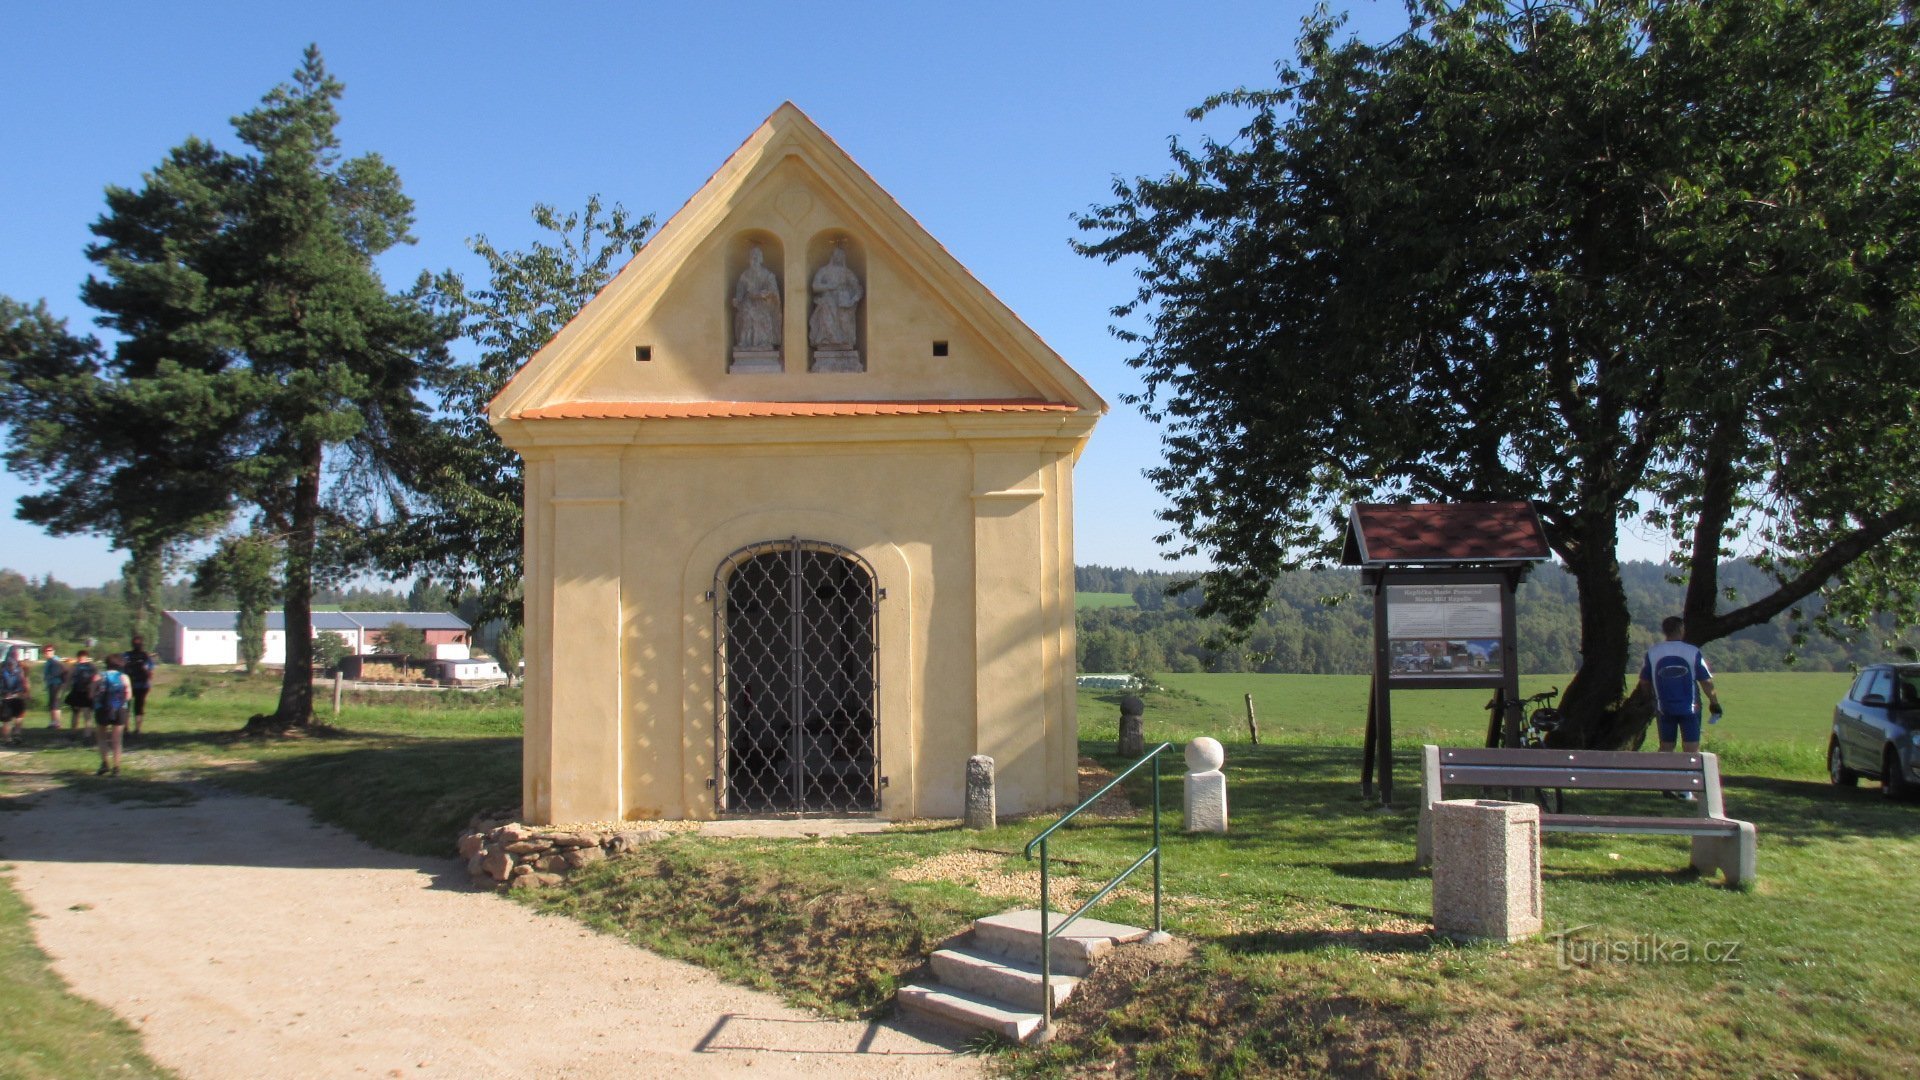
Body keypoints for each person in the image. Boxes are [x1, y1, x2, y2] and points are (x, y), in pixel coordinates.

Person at [1636, 616, 1723, 800]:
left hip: (1664, 706)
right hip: (1689, 706)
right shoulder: (1692, 651)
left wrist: (1649, 698)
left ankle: (1665, 785)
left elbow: (1644, 680)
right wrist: (1714, 701)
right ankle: (1686, 790)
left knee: (1666, 746)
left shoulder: (1653, 652)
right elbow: (1705, 681)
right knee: (1690, 748)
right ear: (1681, 629)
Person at [808, 244, 863, 350]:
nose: (839, 257)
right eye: (837, 255)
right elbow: (815, 286)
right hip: (828, 299)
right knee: (826, 312)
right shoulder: (824, 270)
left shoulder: (847, 272)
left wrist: (853, 298)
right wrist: (829, 286)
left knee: (845, 320)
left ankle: (845, 341)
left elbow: (856, 287)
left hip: (843, 301)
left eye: (841, 255)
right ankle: (828, 340)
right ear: (832, 256)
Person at [732, 243, 782, 351]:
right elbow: (740, 291)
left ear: (761, 259)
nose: (754, 259)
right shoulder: (745, 275)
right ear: (749, 259)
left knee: (763, 316)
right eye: (752, 257)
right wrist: (737, 299)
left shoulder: (768, 275)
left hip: (763, 303)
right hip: (748, 302)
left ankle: (764, 342)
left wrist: (765, 293)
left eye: (757, 257)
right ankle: (744, 342)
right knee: (746, 314)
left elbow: (773, 290)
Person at [93, 654, 131, 776]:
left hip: (102, 709)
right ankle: (116, 768)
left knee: (102, 737)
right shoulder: (124, 677)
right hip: (119, 709)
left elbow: (91, 694)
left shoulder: (98, 676)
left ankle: (104, 764)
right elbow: (128, 695)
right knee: (117, 739)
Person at [125, 634, 156, 739]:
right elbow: (150, 673)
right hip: (142, 685)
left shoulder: (126, 655)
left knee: (126, 707)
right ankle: (138, 729)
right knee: (139, 707)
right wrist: (149, 683)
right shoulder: (146, 656)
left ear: (132, 644)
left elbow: (121, 669)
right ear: (142, 644)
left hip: (128, 684)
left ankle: (126, 728)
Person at [64, 649, 97, 747]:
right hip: (86, 692)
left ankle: (74, 733)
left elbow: (68, 680)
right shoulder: (92, 667)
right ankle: (87, 735)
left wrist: (64, 691)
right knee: (87, 715)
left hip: (77, 692)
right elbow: (96, 679)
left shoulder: (74, 667)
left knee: (76, 714)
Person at [0, 648, 27, 746]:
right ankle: (16, 734)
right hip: (16, 695)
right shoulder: (20, 667)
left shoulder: (3, 668)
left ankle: (8, 739)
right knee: (18, 716)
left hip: (7, 696)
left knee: (7, 720)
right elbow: (24, 681)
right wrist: (25, 693)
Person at [43, 646, 67, 730]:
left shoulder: (55, 660)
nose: (47, 652)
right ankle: (53, 721)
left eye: (49, 650)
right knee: (52, 703)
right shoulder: (50, 661)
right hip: (52, 683)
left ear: (53, 651)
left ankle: (56, 723)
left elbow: (60, 672)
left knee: (55, 703)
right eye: (46, 651)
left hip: (56, 684)